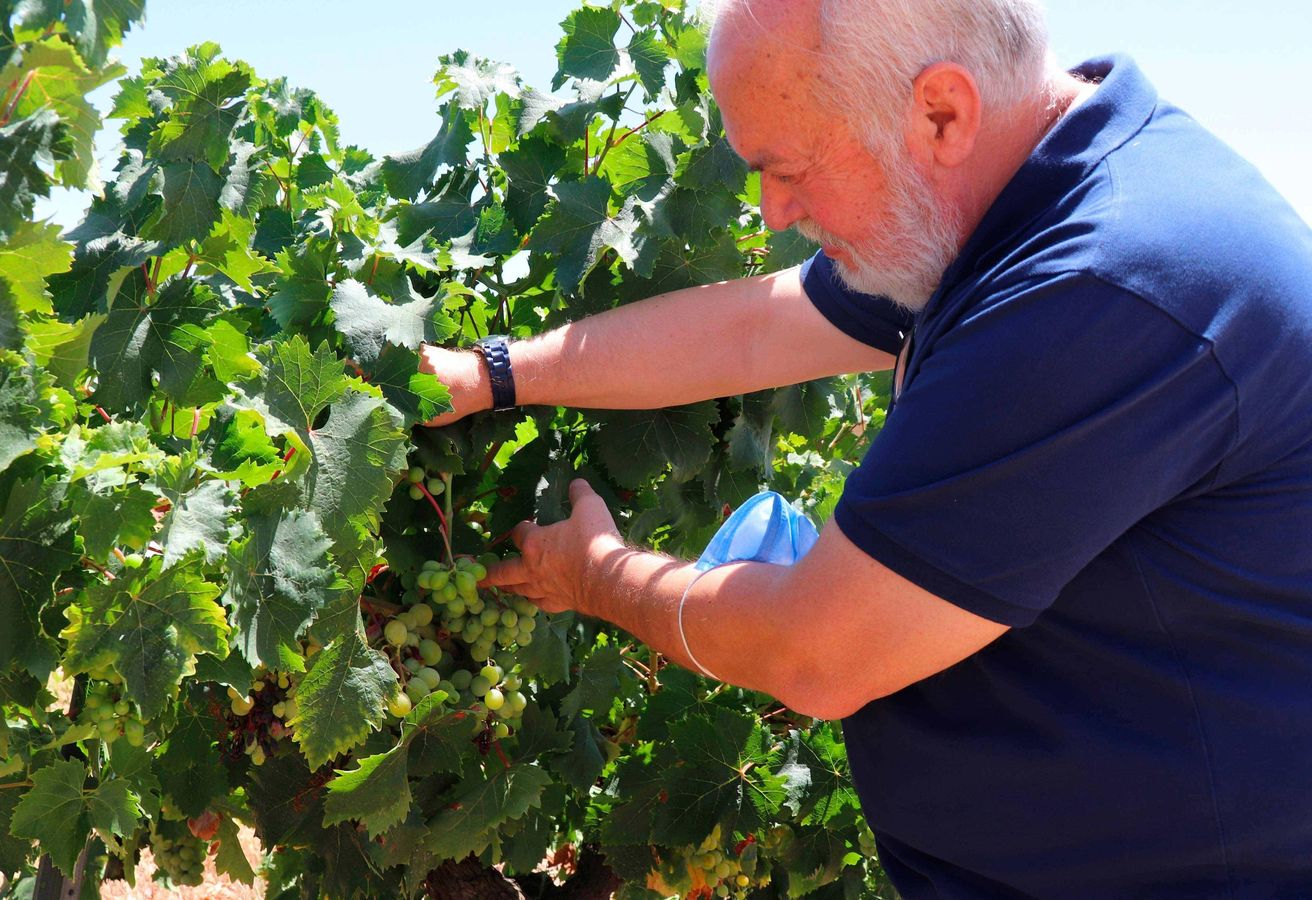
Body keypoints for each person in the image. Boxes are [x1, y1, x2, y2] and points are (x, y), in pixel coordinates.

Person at [419, 0, 1312, 896]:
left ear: (940, 113)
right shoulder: (1002, 204)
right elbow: (755, 331)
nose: (771, 213)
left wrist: (597, 575)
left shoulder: (1100, 290)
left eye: (790, 168)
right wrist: (492, 374)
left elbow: (816, 654)